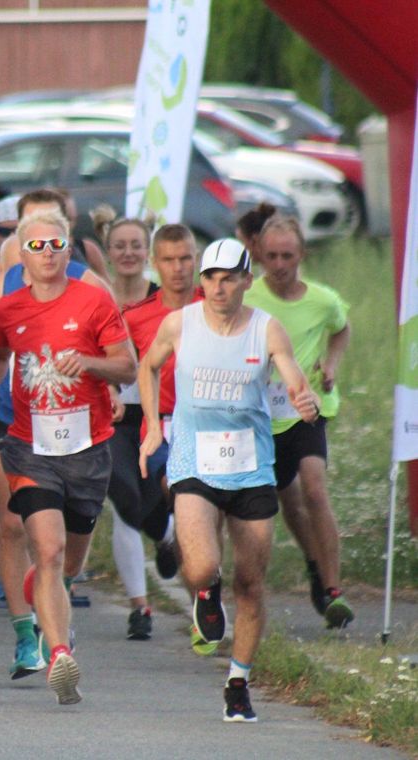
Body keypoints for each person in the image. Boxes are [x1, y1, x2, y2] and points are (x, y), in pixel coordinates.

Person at [138, 238, 321, 722]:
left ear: (246, 280)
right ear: (202, 282)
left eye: (229, 278)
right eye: (211, 278)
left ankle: (238, 682)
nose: (219, 287)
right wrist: (155, 425)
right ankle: (203, 592)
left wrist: (306, 403)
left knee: (251, 581)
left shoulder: (266, 329)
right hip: (194, 464)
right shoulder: (180, 323)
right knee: (200, 567)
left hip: (250, 467)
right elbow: (148, 366)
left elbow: (295, 382)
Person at [0, 208, 135, 706]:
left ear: (69, 250)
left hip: (87, 446)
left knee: (67, 562)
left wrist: (87, 361)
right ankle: (59, 653)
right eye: (35, 246)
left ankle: (50, 594)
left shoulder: (94, 300)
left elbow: (126, 366)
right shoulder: (9, 308)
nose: (46, 254)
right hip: (29, 445)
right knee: (49, 549)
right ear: (21, 253)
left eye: (55, 245)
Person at [244, 215, 354, 628]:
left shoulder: (322, 300)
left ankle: (333, 589)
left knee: (314, 486)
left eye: (287, 255)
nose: (279, 264)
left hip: (307, 409)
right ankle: (311, 565)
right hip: (260, 415)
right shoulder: (248, 297)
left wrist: (332, 362)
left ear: (302, 254)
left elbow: (341, 329)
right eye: (270, 256)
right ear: (259, 254)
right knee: (285, 500)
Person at [107, 221, 201, 640]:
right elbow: (119, 362)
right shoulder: (127, 311)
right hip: (142, 424)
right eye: (169, 260)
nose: (179, 267)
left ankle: (203, 599)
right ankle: (144, 595)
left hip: (200, 424)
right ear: (155, 263)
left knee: (189, 506)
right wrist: (108, 389)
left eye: (186, 259)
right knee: (128, 501)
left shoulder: (212, 303)